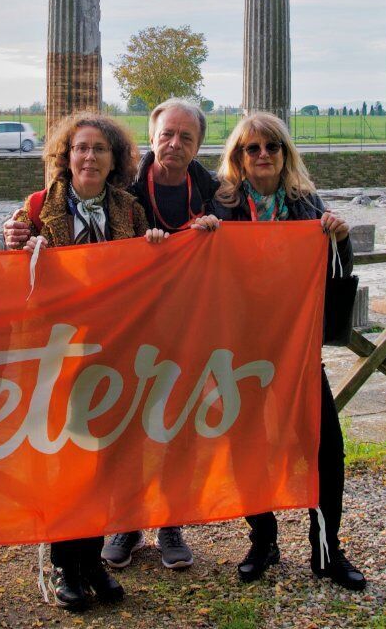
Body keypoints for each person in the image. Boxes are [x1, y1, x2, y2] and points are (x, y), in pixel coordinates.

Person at [7, 111, 168, 611]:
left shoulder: (131, 208)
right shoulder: (37, 207)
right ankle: (65, 565)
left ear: (114, 158)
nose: (90, 157)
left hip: (113, 354)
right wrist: (15, 245)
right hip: (59, 355)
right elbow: (9, 269)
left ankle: (92, 558)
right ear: (66, 155)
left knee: (103, 463)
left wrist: (159, 248)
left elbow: (150, 272)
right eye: (81, 148)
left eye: (100, 148)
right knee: (64, 462)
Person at [214, 112, 366, 591]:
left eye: (271, 147)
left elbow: (336, 273)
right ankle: (263, 540)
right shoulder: (223, 206)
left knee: (326, 448)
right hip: (241, 349)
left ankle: (327, 549)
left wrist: (341, 239)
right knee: (248, 447)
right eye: (251, 149)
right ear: (237, 158)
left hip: (297, 351)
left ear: (285, 154)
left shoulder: (306, 204)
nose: (262, 156)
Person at [107, 98, 220, 571]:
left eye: (186, 137)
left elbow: (245, 245)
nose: (175, 144)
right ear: (151, 137)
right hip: (132, 326)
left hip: (190, 325)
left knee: (178, 425)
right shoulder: (124, 185)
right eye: (167, 134)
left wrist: (221, 232)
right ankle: (127, 521)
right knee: (128, 424)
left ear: (198, 146)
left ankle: (171, 520)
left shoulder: (216, 191)